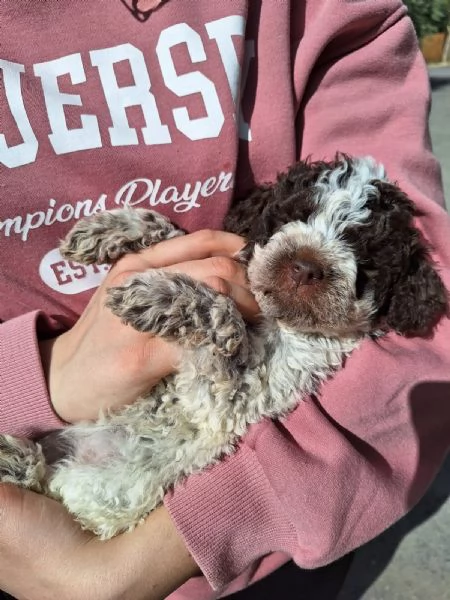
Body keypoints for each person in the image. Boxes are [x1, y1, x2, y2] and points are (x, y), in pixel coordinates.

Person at [1, 0, 450, 599]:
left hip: (172, 522)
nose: (304, 266)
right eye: (297, 222)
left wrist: (206, 317)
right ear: (269, 221)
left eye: (359, 261)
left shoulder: (316, 353)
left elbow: (224, 403)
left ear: (395, 294)